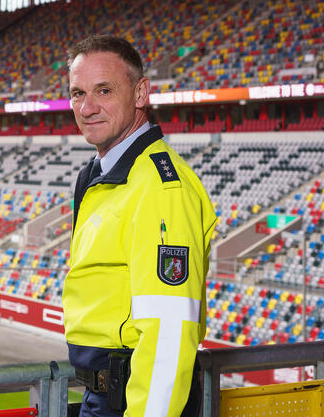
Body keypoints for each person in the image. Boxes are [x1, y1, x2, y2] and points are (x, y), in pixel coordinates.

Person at [62, 36, 216, 417]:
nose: (87, 107)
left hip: (133, 401)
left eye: (104, 90)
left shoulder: (161, 188)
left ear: (140, 93)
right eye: (78, 93)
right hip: (103, 394)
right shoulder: (99, 175)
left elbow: (169, 332)